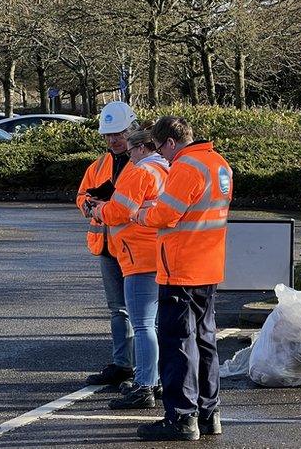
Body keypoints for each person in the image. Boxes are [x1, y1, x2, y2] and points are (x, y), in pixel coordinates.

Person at [134, 116, 232, 442]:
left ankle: (180, 417)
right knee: (205, 341)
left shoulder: (186, 167)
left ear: (171, 142)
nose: (162, 156)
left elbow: (165, 214)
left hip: (180, 267)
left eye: (161, 149)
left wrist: (139, 213)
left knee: (177, 344)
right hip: (208, 265)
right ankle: (209, 413)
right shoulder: (218, 164)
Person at [91, 125, 170, 409]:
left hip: (138, 256)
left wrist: (97, 209)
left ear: (140, 148)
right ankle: (157, 379)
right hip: (161, 254)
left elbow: (119, 211)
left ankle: (144, 385)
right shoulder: (167, 170)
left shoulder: (140, 171)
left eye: (133, 151)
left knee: (143, 325)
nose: (131, 157)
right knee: (157, 324)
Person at [77, 101, 137, 386]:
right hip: (107, 247)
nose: (113, 139)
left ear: (132, 129)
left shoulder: (142, 163)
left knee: (141, 312)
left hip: (135, 248)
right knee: (118, 310)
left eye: (119, 133)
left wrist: (108, 206)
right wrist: (88, 206)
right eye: (108, 135)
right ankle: (123, 364)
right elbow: (81, 196)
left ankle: (144, 369)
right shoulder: (98, 165)